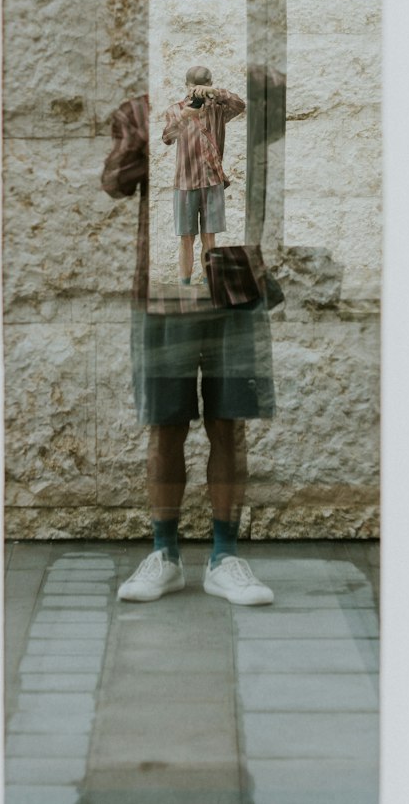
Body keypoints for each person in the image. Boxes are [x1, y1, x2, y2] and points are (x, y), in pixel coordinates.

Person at [101, 68, 275, 607]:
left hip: (232, 286)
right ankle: (165, 553)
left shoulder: (241, 100)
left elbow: (283, 100)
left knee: (229, 423)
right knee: (165, 424)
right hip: (165, 298)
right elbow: (115, 181)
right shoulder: (144, 110)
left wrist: (230, 85)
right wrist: (159, 127)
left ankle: (225, 555)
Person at [163, 63, 245, 286]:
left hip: (212, 181)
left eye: (202, 87)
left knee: (210, 237)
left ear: (208, 85)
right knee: (186, 238)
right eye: (194, 88)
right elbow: (167, 137)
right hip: (185, 182)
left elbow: (240, 105)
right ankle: (184, 286)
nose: (197, 92)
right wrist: (185, 115)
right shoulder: (175, 109)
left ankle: (210, 284)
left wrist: (217, 93)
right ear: (186, 86)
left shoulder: (218, 109)